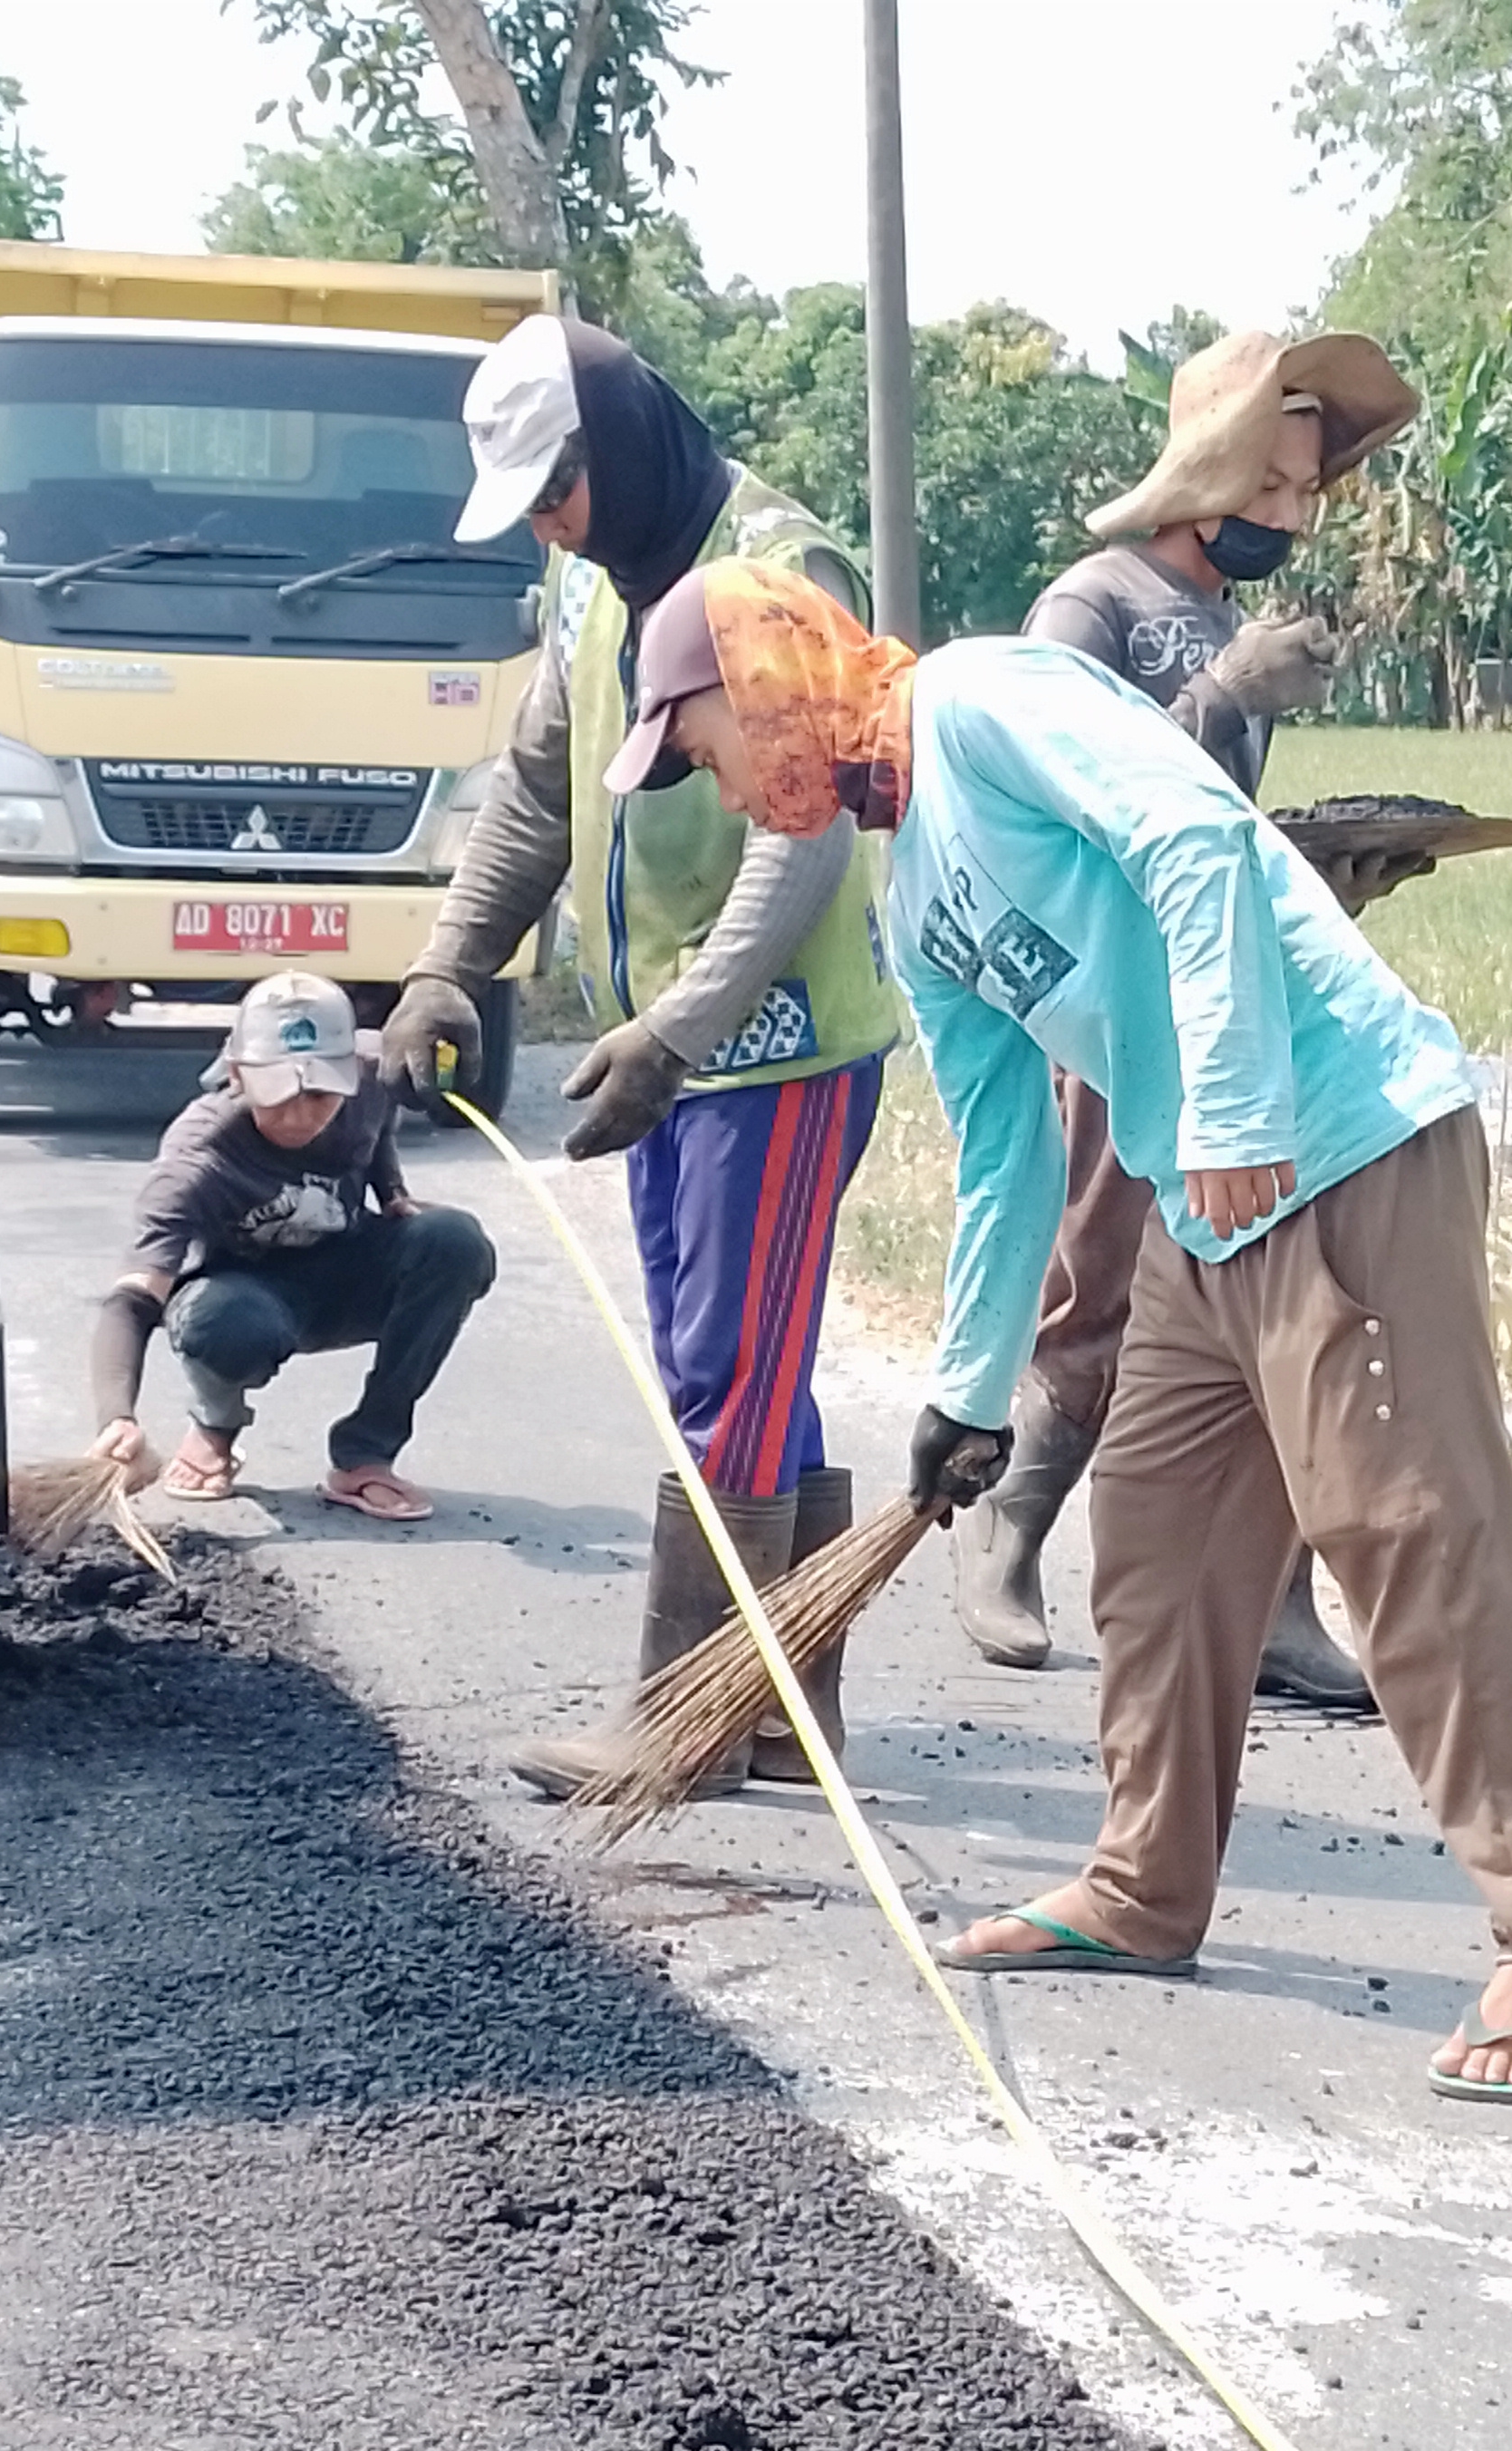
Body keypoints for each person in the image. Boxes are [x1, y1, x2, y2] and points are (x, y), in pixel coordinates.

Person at [606, 556, 1512, 2105]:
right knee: (1150, 1554)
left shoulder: (984, 697)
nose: (723, 793)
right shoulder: (914, 887)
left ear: (768, 683)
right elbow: (1006, 1144)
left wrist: (1224, 1100)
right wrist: (967, 1394)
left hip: (1343, 1141)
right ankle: (1147, 1889)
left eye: (702, 749)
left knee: (1407, 1535)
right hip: (1204, 1209)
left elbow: (1200, 841)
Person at [387, 314, 905, 1798]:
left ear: (613, 446)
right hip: (670, 1043)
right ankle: (780, 1711)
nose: (551, 524)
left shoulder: (779, 568)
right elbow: (539, 797)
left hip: (775, 1044)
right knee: (732, 1362)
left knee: (731, 1363)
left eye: (559, 491)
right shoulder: (592, 588)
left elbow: (804, 830)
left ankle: (684, 1718)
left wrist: (682, 1028)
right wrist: (442, 973)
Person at [960, 327, 1431, 1705]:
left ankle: (1279, 1603)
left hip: (1234, 991)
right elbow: (1063, 804)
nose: (1288, 518)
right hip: (1116, 994)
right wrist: (1224, 695)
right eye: (1269, 492)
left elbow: (1212, 831)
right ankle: (1007, 1532)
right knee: (1099, 1271)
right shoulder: (1088, 607)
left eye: (1304, 498)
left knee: (1273, 1286)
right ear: (1203, 474)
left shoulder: (1232, 618)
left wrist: (1336, 871)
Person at [87, 972, 497, 1520]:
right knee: (222, 1323)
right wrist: (117, 1417)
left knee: (454, 1241)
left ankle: (365, 1455)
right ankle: (215, 1424)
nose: (300, 1115)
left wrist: (391, 1190)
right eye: (277, 1094)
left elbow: (377, 1126)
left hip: (343, 1271)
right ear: (238, 1075)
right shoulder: (195, 1159)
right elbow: (133, 1299)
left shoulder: (375, 1070)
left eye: (321, 1094)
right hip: (241, 1295)